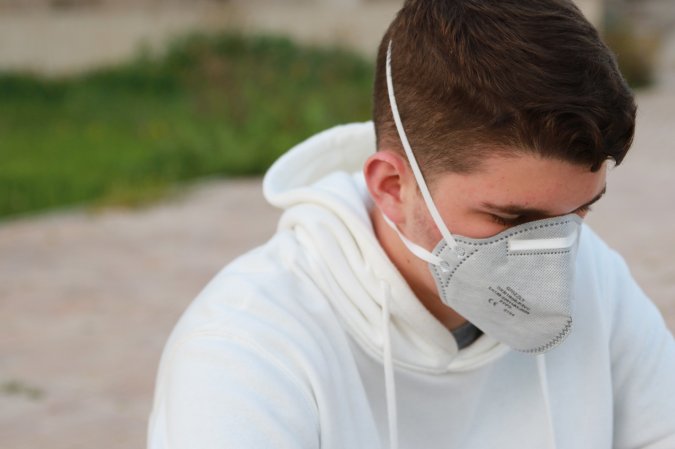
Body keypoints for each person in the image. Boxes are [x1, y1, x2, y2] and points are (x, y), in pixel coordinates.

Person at [148, 0, 675, 448]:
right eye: (510, 219)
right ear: (390, 187)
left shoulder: (597, 279)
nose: (553, 258)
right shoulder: (246, 350)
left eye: (579, 212)